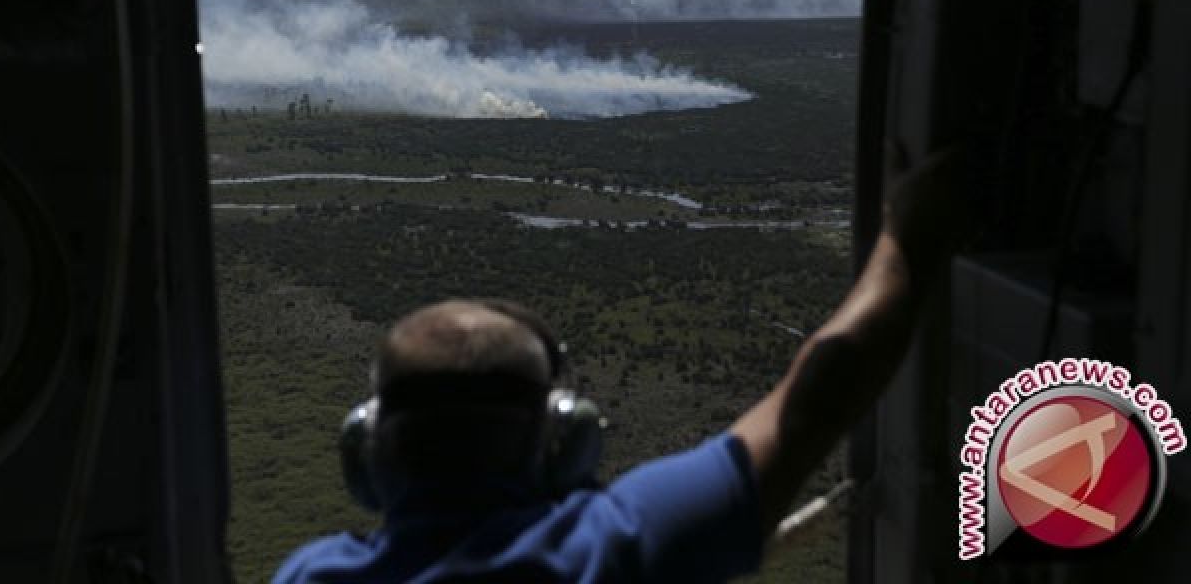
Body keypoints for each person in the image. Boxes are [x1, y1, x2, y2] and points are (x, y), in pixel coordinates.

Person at [272, 147, 963, 583]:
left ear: (366, 446)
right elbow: (821, 393)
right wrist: (911, 226)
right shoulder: (618, 545)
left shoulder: (309, 573)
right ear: (564, 437)